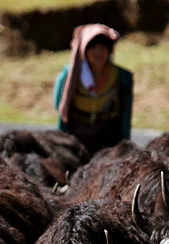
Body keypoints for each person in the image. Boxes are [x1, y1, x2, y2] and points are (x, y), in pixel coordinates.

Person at [53, 23, 133, 152]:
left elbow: (125, 112)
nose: (98, 52)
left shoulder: (121, 76)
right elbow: (59, 104)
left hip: (107, 138)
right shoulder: (70, 75)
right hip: (76, 137)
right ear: (84, 50)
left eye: (102, 47)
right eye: (93, 47)